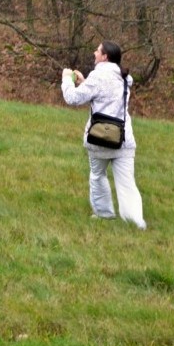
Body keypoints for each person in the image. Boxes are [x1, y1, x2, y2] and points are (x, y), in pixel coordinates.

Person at [61, 41, 146, 230]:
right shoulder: (124, 78)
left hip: (99, 141)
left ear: (105, 56)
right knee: (127, 184)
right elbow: (104, 94)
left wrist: (67, 79)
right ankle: (135, 223)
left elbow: (72, 98)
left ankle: (104, 214)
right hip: (124, 141)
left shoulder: (97, 77)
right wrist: (84, 83)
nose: (94, 53)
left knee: (97, 176)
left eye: (98, 51)